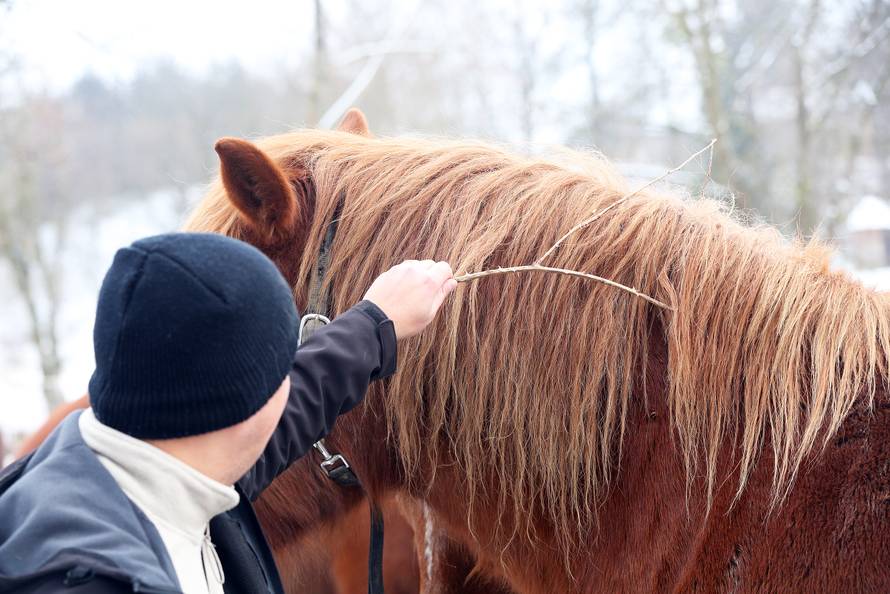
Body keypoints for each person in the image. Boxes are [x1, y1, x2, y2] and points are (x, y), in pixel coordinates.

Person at [0, 232, 457, 594]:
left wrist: (376, 324)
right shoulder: (85, 579)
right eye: (283, 368)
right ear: (242, 410)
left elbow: (294, 403)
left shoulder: (157, 457)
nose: (290, 385)